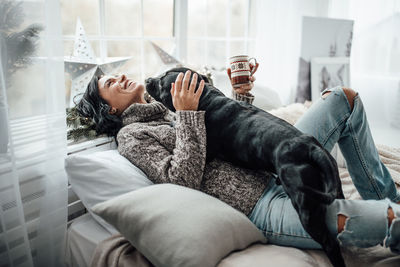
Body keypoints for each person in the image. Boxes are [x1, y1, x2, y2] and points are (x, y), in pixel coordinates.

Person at [76, 65, 400, 254]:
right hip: (261, 208)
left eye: (116, 74)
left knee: (343, 99)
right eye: (110, 84)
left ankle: (385, 192)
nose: (120, 78)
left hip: (275, 165)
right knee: (389, 220)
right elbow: (181, 183)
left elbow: (233, 128)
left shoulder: (169, 103)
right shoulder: (132, 137)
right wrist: (189, 115)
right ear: (110, 109)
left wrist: (208, 97)